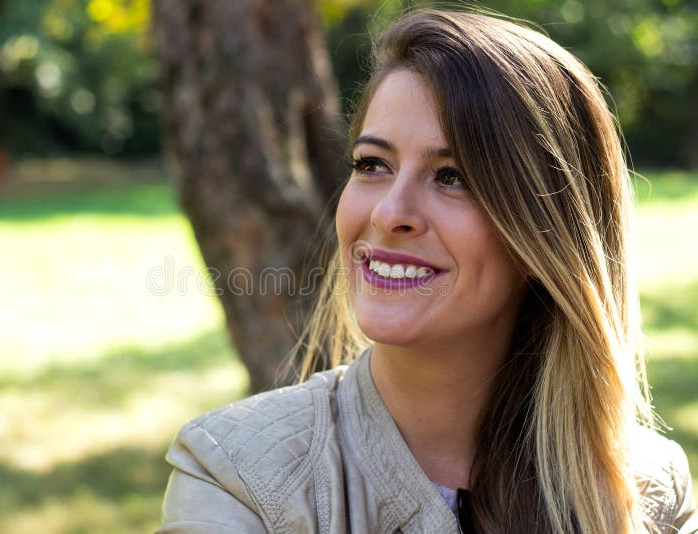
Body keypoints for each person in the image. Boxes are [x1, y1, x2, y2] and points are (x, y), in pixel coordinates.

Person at [157, 9, 697, 533]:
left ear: (547, 233)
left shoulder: (648, 488)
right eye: (373, 165)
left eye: (452, 176)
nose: (390, 213)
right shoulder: (236, 475)